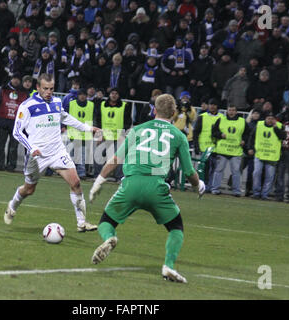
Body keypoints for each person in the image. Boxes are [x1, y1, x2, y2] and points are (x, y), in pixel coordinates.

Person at [88, 93, 205, 283]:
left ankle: (110, 238)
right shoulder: (179, 136)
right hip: (156, 187)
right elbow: (189, 171)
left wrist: (98, 182)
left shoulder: (137, 130)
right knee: (176, 228)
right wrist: (198, 185)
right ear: (174, 112)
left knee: (106, 221)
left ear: (154, 110)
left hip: (131, 184)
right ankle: (168, 266)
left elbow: (116, 159)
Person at [5, 73, 100, 232]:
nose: (49, 92)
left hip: (57, 151)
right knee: (29, 190)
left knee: (76, 183)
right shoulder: (27, 106)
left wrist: (89, 128)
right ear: (37, 87)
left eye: (51, 89)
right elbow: (17, 132)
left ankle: (81, 222)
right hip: (37, 155)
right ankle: (13, 204)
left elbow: (66, 118)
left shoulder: (57, 102)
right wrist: (31, 147)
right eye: (45, 88)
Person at [0, 73, 28, 171]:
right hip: (3, 121)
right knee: (0, 145)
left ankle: (11, 165)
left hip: (16, 124)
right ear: (11, 79)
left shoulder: (24, 93)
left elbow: (27, 109)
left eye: (17, 79)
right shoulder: (3, 90)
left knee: (13, 147)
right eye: (14, 78)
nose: (16, 81)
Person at [94, 87, 132, 181]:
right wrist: (99, 134)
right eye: (112, 93)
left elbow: (128, 121)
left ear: (118, 95)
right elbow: (98, 120)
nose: (114, 95)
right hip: (105, 136)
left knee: (119, 157)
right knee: (98, 155)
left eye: (116, 93)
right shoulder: (102, 104)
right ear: (109, 95)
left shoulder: (124, 106)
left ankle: (119, 177)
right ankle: (98, 176)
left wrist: (123, 133)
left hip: (118, 136)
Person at [211, 105, 249, 197]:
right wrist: (220, 135)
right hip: (222, 150)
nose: (231, 112)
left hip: (235, 150)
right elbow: (214, 132)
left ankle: (236, 191)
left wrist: (244, 140)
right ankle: (215, 189)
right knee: (219, 170)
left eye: (233, 110)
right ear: (227, 111)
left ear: (236, 112)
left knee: (236, 172)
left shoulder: (242, 122)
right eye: (230, 110)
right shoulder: (221, 120)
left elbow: (247, 134)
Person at [248, 111, 286, 200]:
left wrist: (275, 127)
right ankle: (256, 193)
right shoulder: (259, 125)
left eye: (272, 118)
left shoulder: (279, 126)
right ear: (265, 118)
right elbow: (252, 137)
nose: (270, 120)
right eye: (268, 118)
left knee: (270, 176)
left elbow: (283, 137)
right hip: (259, 153)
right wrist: (250, 148)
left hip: (272, 155)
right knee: (256, 173)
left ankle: (264, 194)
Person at [193, 98, 224, 193]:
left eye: (214, 104)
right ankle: (203, 186)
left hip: (217, 148)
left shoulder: (222, 117)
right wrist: (196, 146)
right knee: (204, 169)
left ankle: (211, 186)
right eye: (211, 104)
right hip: (205, 148)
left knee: (215, 169)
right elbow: (196, 132)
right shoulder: (202, 116)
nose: (212, 106)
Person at [67, 88, 96, 179]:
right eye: (80, 94)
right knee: (70, 155)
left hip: (85, 134)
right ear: (78, 95)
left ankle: (81, 173)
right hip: (73, 133)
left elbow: (94, 118)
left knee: (82, 155)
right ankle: (70, 172)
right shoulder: (71, 103)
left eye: (84, 94)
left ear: (86, 96)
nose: (82, 96)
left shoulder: (91, 105)